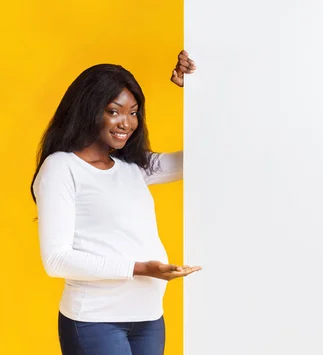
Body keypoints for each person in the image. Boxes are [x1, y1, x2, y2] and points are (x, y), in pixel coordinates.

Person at [31, 50, 199, 355]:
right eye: (114, 111)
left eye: (133, 112)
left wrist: (197, 91)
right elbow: (56, 260)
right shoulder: (61, 168)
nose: (126, 122)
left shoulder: (133, 165)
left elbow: (202, 158)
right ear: (89, 110)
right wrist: (141, 268)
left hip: (149, 317)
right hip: (96, 321)